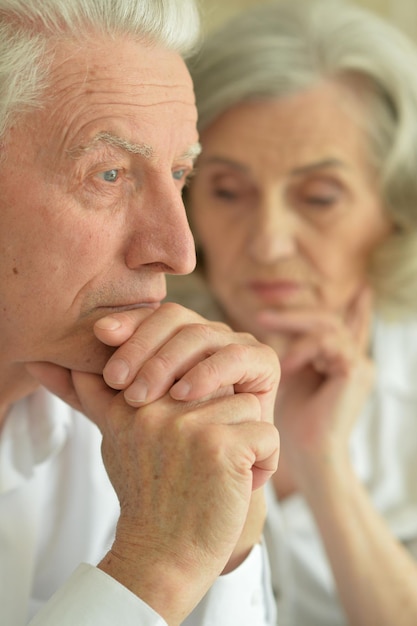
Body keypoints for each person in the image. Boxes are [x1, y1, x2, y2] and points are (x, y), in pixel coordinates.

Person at [0, 1, 281, 625]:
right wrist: (159, 567)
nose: (179, 252)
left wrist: (225, 545)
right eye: (109, 173)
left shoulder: (156, 434)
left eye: (181, 173)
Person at [171, 0, 417, 623]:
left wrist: (321, 460)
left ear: (396, 206)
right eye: (227, 191)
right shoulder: (120, 366)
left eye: (319, 197)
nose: (269, 242)